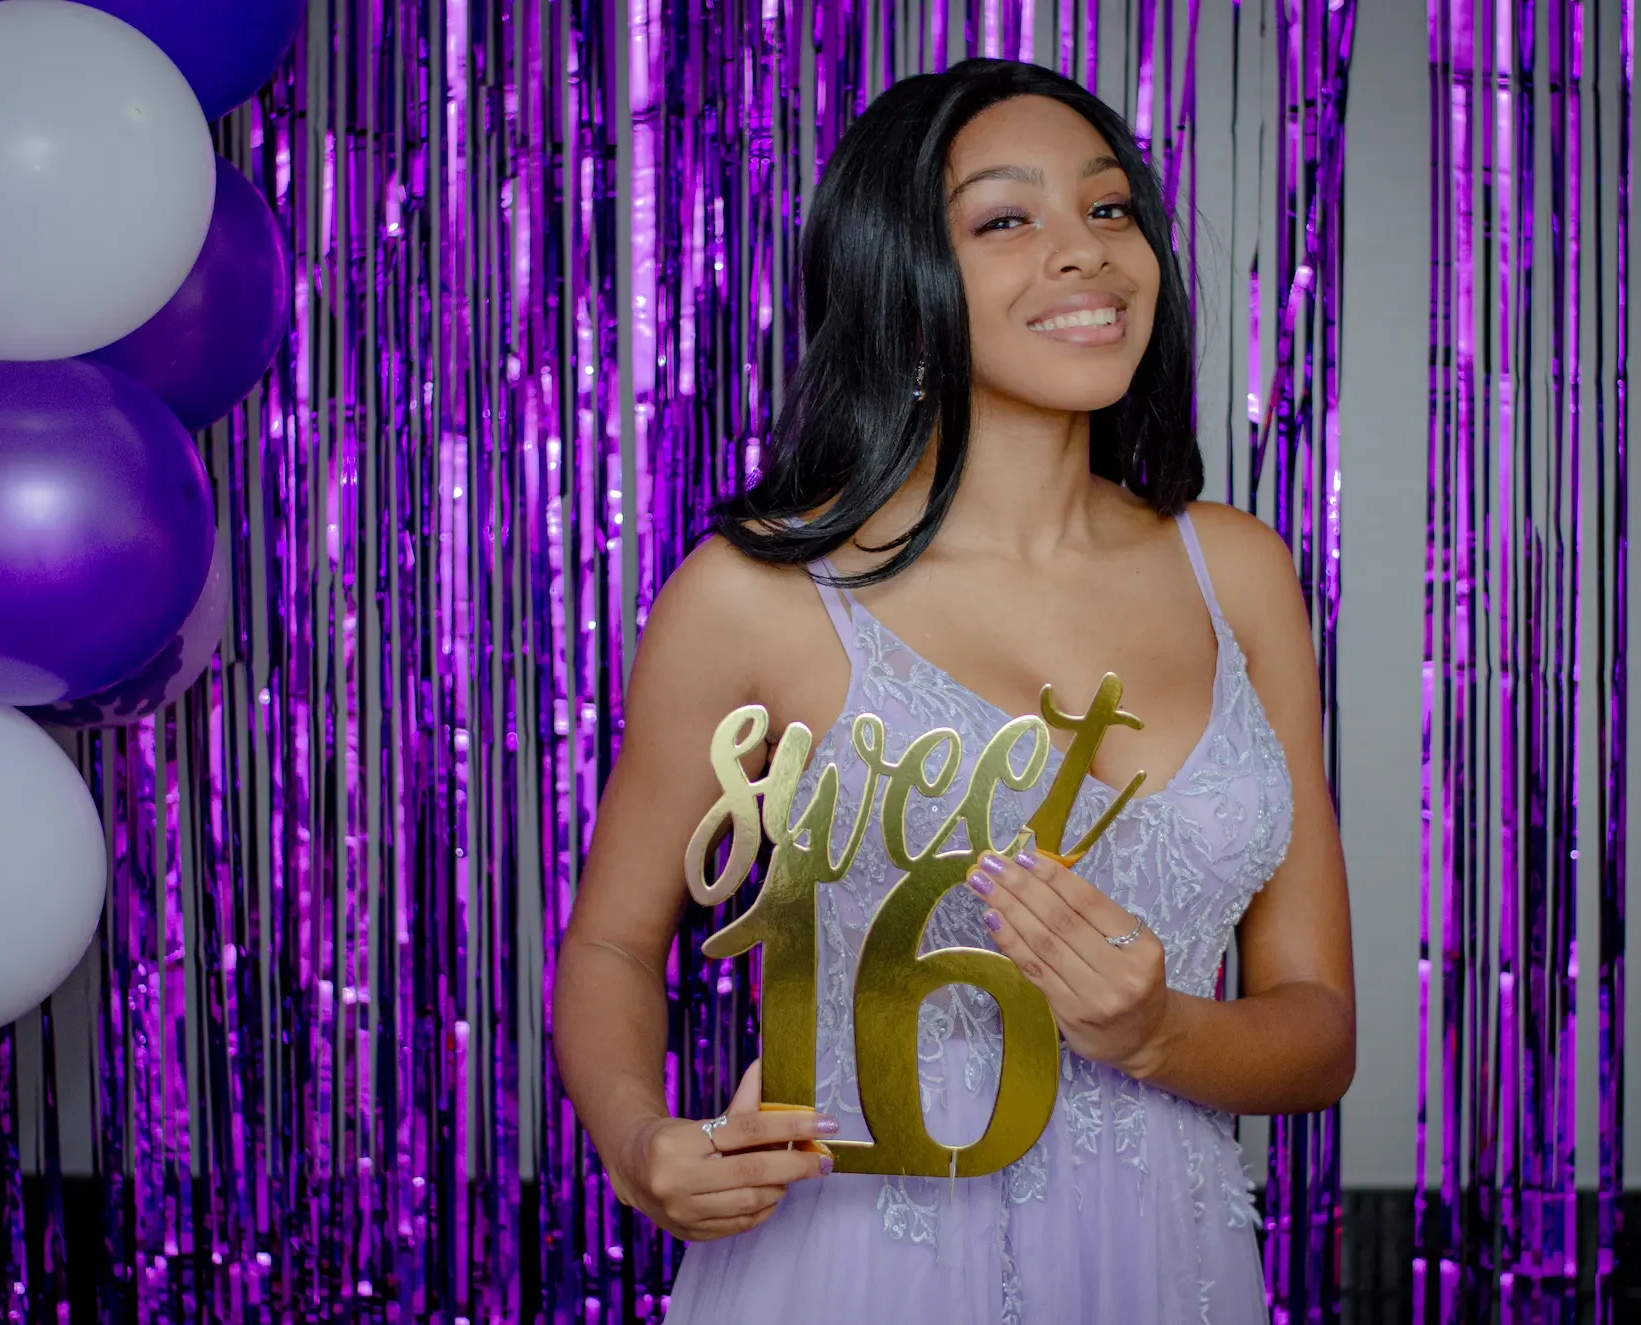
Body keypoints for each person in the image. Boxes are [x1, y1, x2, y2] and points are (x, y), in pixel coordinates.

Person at [552, 58, 1355, 1325]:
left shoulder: (1239, 573)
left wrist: (1154, 1032)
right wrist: (642, 1143)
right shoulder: (756, 593)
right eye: (1004, 219)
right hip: (850, 1270)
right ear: (903, 290)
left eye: (1107, 209)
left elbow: (1316, 1030)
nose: (1086, 253)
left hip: (1163, 1270)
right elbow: (607, 940)